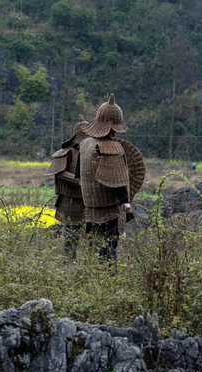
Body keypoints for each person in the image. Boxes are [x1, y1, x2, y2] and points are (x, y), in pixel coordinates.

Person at [77, 94, 144, 262]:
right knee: (109, 243)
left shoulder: (85, 144)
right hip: (108, 206)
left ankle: (93, 269)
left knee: (94, 242)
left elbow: (79, 174)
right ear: (113, 127)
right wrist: (125, 201)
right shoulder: (111, 147)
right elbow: (117, 180)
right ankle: (108, 271)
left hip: (90, 204)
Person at [46, 115, 89, 260]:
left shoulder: (91, 152)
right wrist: (78, 181)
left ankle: (91, 264)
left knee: (92, 235)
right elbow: (59, 172)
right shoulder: (68, 152)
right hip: (71, 200)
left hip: (89, 199)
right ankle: (68, 261)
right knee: (72, 233)